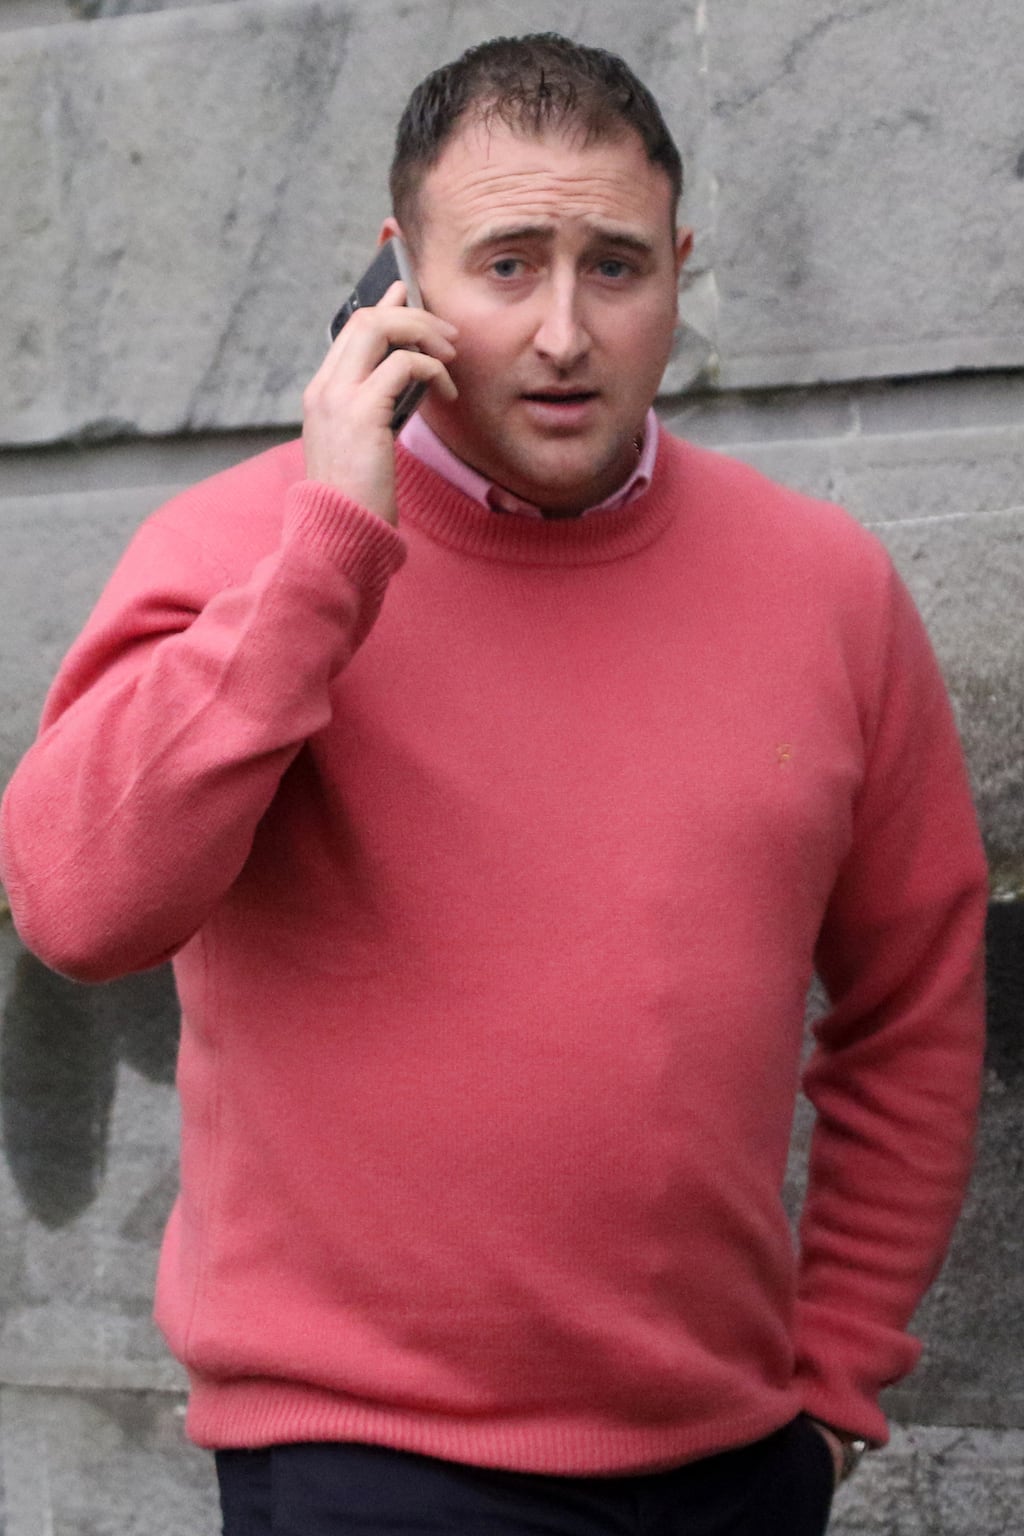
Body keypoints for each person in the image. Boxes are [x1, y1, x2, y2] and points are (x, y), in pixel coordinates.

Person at [0, 33, 987, 1536]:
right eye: (509, 265)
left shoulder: (828, 587)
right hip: (363, 1464)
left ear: (680, 275)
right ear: (399, 280)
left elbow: (916, 1005)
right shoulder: (238, 553)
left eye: (616, 267)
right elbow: (78, 909)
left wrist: (836, 1384)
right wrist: (329, 553)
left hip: (731, 1468)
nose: (564, 333)